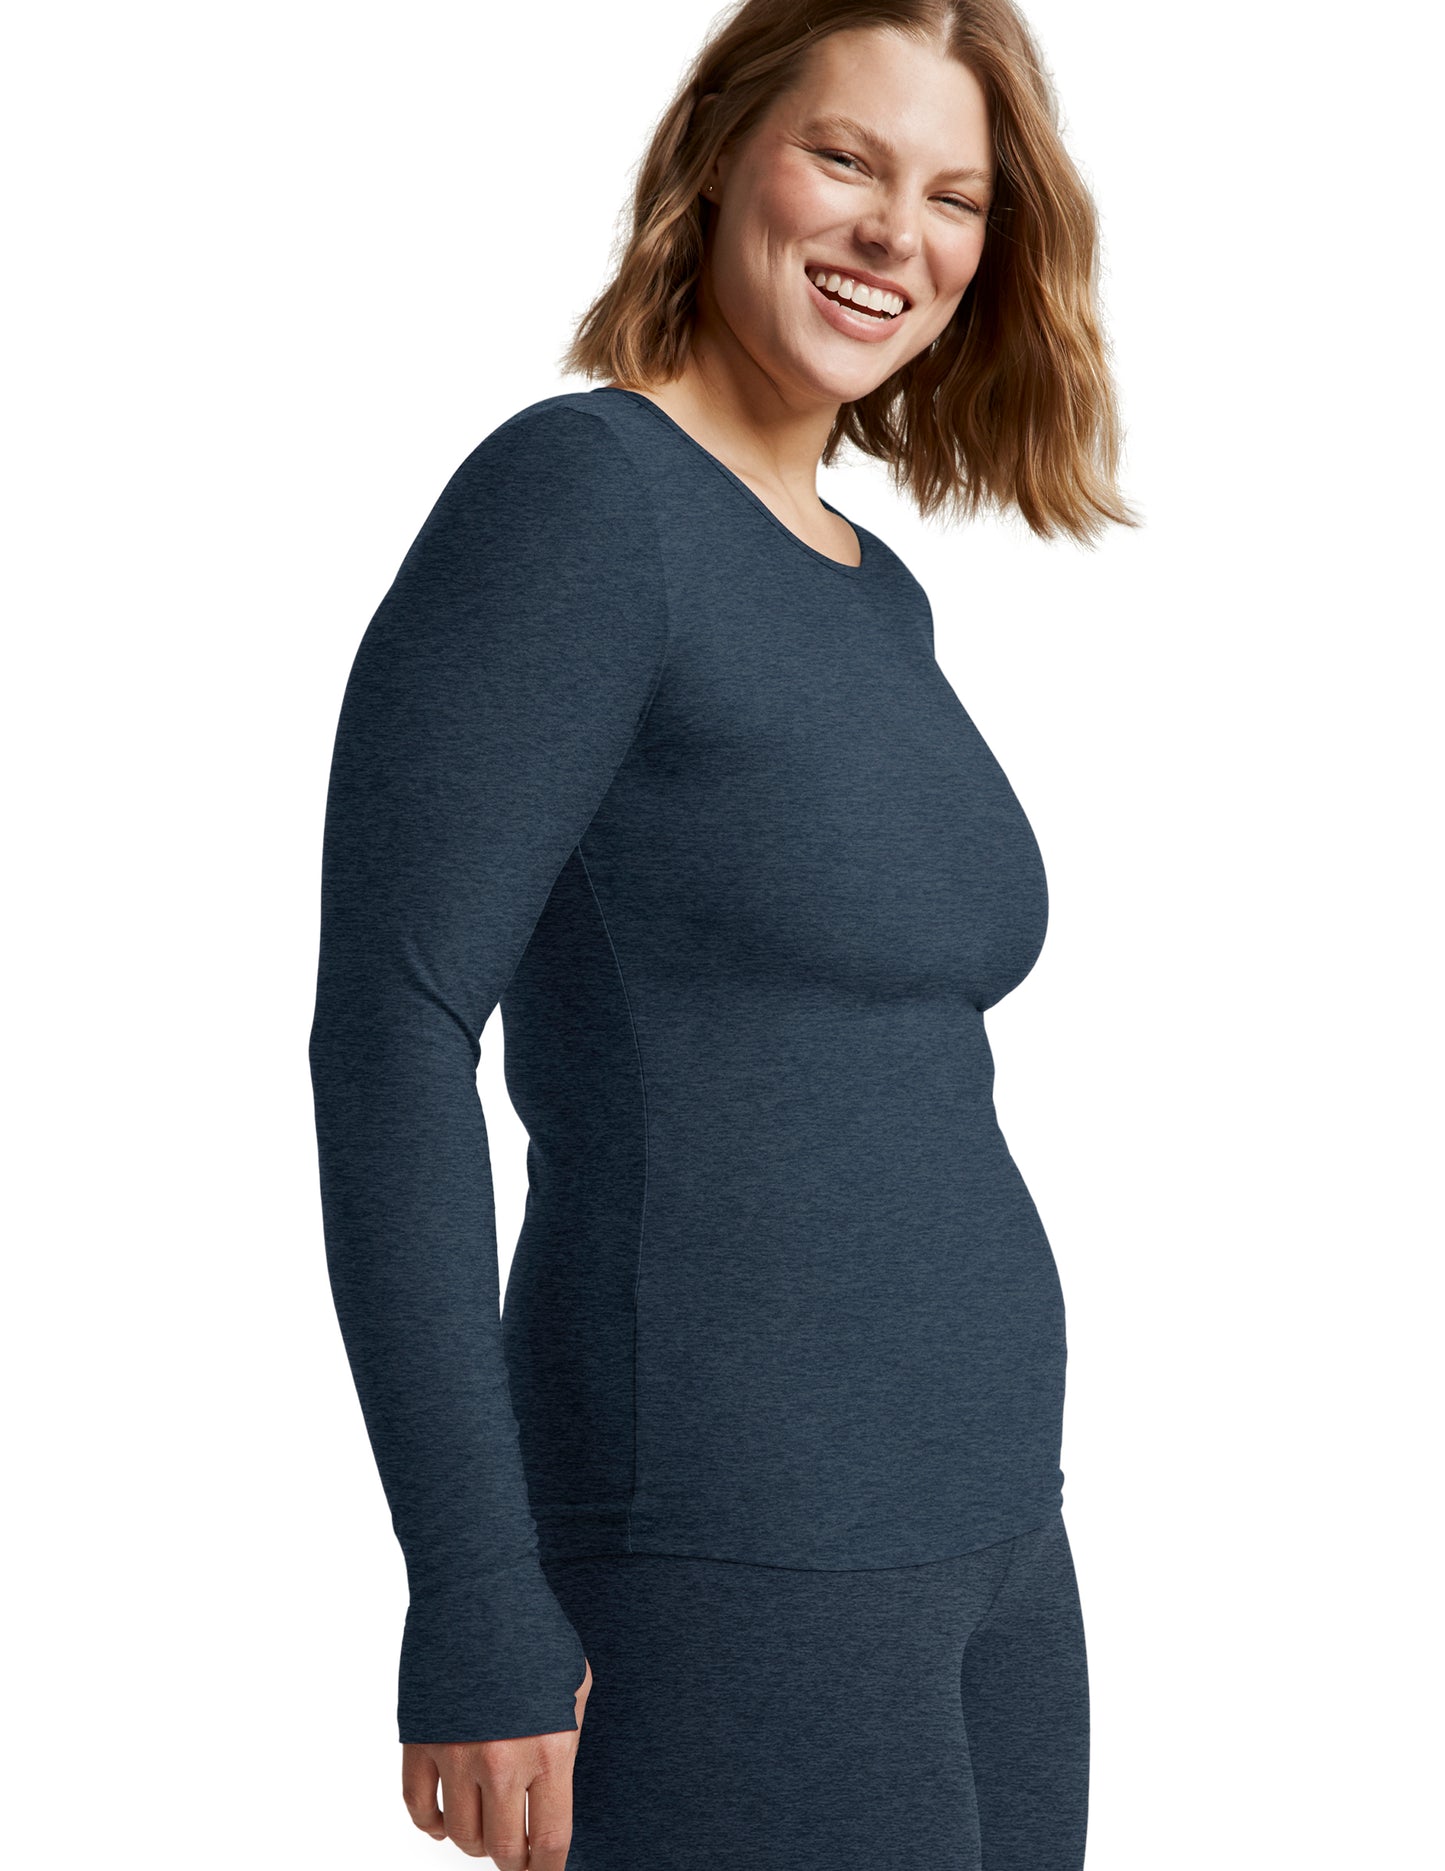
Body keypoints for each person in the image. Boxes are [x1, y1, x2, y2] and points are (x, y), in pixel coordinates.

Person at [307, 0, 1135, 1865]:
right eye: (844, 158)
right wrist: (473, 1590)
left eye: (953, 196)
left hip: (992, 1528)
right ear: (718, 155)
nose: (893, 232)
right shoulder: (578, 503)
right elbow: (392, 1032)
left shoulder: (873, 589)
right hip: (727, 1543)